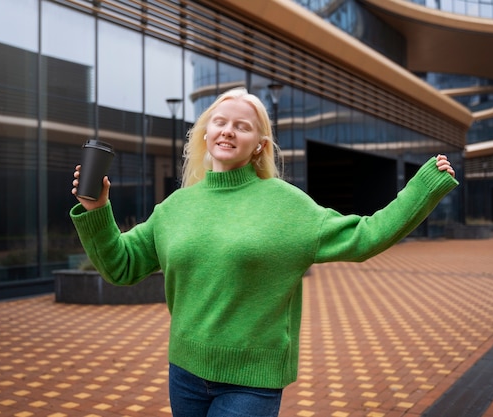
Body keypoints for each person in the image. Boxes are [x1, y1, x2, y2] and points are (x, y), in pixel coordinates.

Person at [70, 87, 458, 417]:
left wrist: (421, 189)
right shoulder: (175, 207)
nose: (228, 131)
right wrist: (96, 210)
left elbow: (366, 236)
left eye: (242, 126)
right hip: (184, 372)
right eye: (220, 122)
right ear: (206, 133)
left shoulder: (286, 205)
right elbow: (120, 266)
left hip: (251, 382)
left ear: (259, 145)